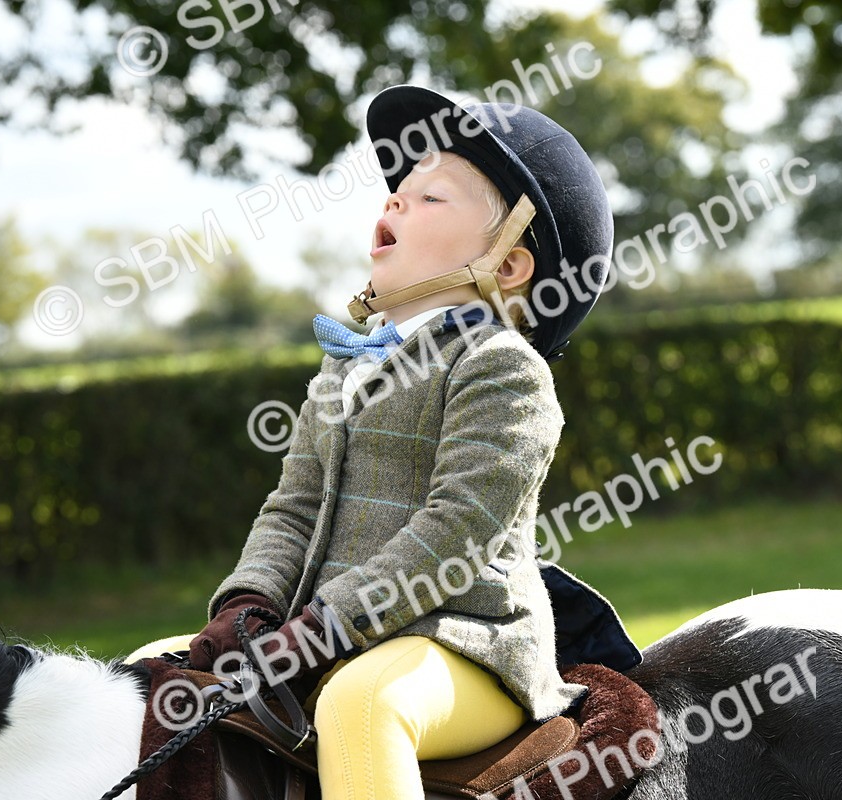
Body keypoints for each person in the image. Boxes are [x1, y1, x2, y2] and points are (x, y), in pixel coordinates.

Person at [178, 85, 641, 799]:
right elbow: (292, 508)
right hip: (321, 635)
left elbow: (457, 532)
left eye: (431, 199)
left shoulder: (501, 367)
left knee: (364, 706)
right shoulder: (343, 367)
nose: (395, 201)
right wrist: (248, 604)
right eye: (399, 191)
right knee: (154, 672)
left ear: (509, 266)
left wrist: (324, 628)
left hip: (462, 648)